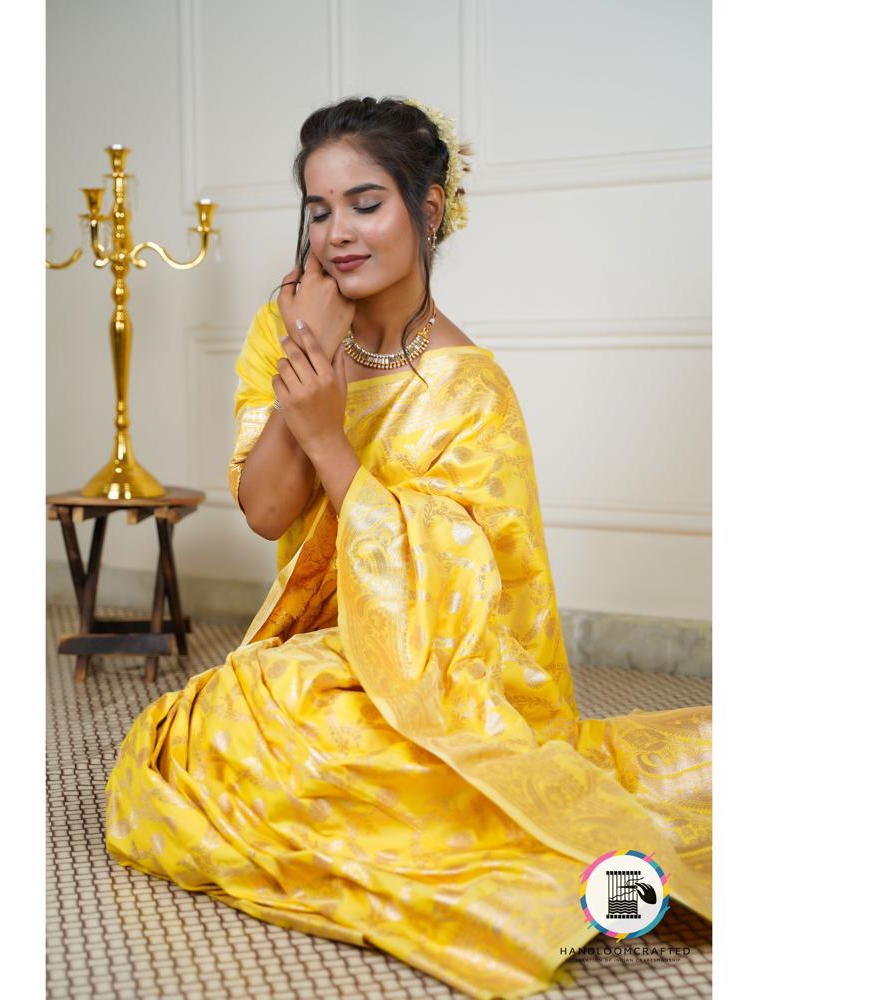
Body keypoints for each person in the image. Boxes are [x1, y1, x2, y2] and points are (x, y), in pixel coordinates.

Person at [104, 96, 712, 1000]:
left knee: (302, 733)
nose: (339, 232)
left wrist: (330, 440)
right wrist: (311, 361)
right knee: (205, 733)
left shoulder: (471, 391)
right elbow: (268, 513)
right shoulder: (290, 328)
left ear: (427, 210)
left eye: (366, 202)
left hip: (453, 679)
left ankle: (569, 886)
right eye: (319, 209)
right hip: (320, 656)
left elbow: (465, 601)